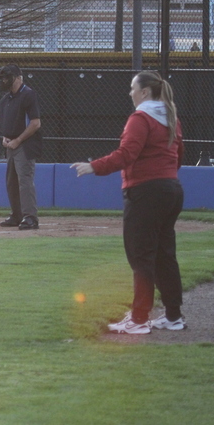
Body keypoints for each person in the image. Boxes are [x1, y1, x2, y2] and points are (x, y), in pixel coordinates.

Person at [71, 70, 185, 335]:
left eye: (132, 88)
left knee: (141, 257)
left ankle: (139, 319)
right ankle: (173, 316)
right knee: (165, 256)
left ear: (144, 92)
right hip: (171, 190)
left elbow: (127, 154)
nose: (130, 93)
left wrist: (93, 166)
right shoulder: (171, 117)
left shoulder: (140, 118)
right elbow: (178, 155)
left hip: (145, 193)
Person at [0, 64, 42, 230]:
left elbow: (35, 123)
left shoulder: (28, 95)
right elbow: (7, 124)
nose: (4, 81)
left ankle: (30, 217)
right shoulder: (6, 99)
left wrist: (18, 139)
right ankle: (17, 215)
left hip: (25, 144)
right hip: (10, 144)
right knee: (11, 182)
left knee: (25, 181)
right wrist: (6, 138)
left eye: (6, 77)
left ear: (17, 78)